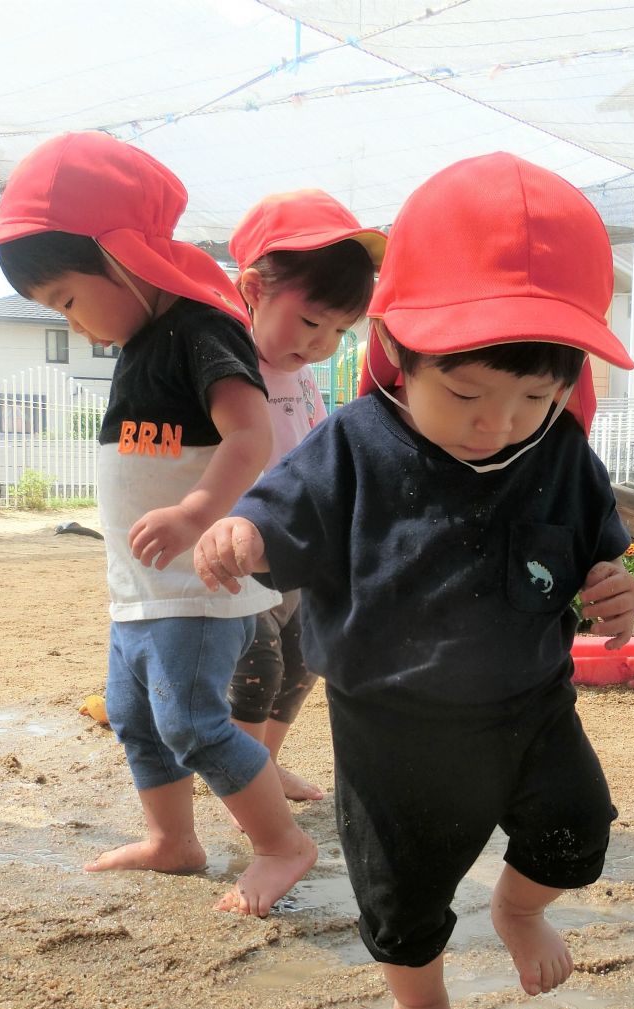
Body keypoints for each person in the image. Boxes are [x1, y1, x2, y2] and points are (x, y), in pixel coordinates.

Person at [194, 152, 634, 1009]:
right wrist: (243, 534)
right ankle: (421, 1004)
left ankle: (520, 909)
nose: (498, 423)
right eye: (467, 394)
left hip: (529, 702)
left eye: (533, 396)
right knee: (402, 888)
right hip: (392, 721)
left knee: (577, 824)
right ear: (399, 349)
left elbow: (601, 549)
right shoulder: (355, 443)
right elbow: (282, 511)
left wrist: (612, 590)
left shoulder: (559, 449)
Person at [0, 131, 316, 915]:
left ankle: (280, 844)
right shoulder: (138, 338)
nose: (76, 324)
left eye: (66, 299)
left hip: (194, 583)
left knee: (192, 720)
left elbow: (252, 436)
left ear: (118, 258)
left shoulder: (201, 327)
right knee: (134, 716)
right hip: (139, 588)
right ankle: (173, 840)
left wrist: (198, 511)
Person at [226, 191, 385, 806]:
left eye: (342, 330)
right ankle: (241, 785)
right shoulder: (226, 363)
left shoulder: (300, 368)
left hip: (296, 546)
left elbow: (315, 449)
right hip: (239, 546)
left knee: (302, 659)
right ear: (254, 290)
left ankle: (262, 764)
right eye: (311, 322)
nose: (323, 343)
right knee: (256, 665)